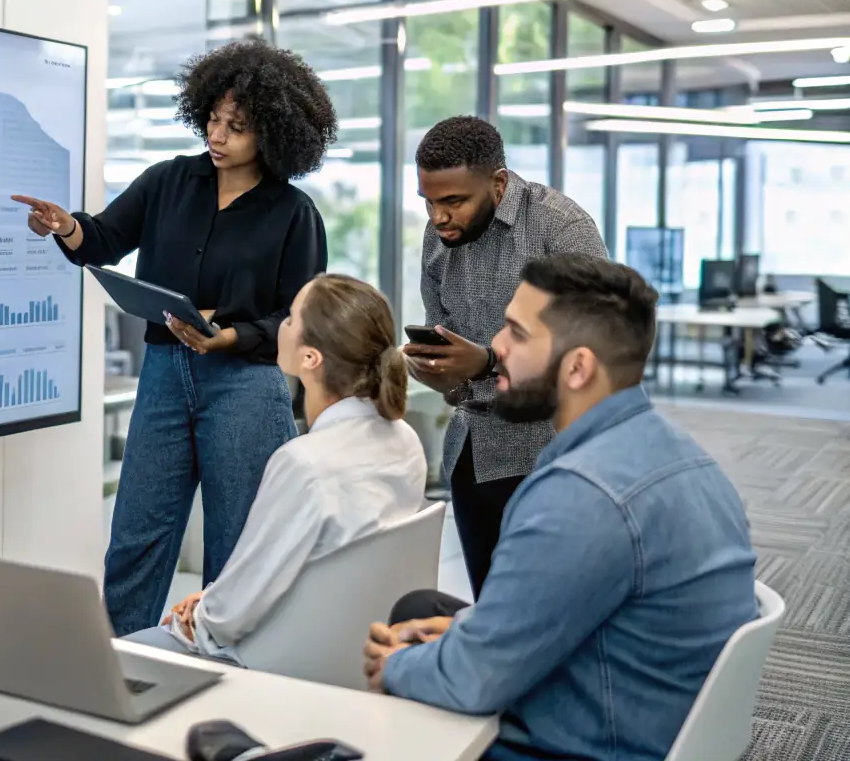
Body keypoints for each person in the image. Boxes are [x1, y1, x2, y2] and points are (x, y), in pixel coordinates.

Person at [365, 254, 758, 761]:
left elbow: (474, 681)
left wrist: (393, 666)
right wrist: (469, 633)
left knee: (394, 678)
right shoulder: (685, 456)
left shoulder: (579, 496)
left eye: (517, 332)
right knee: (425, 610)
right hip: (650, 705)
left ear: (578, 367)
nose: (497, 346)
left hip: (589, 746)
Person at [12, 41, 337, 637]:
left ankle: (231, 664)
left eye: (236, 126)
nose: (217, 135)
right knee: (137, 533)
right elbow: (103, 239)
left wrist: (230, 334)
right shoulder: (168, 181)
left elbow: (301, 316)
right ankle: (121, 659)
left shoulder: (294, 213)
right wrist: (67, 226)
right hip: (164, 374)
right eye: (213, 119)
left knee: (237, 544)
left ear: (272, 132)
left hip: (244, 385)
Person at [122, 273, 426, 662]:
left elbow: (229, 619)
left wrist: (199, 613)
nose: (280, 323)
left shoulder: (305, 463)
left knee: (125, 651)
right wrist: (216, 597)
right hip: (356, 644)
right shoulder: (405, 440)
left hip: (285, 656)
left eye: (291, 318)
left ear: (310, 358)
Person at [403, 116, 606, 597]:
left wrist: (490, 363)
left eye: (454, 202)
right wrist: (441, 372)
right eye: (429, 202)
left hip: (550, 453)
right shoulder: (438, 240)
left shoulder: (559, 227)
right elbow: (450, 354)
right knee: (491, 600)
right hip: (473, 450)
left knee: (552, 605)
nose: (439, 217)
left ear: (498, 184)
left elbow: (599, 345)